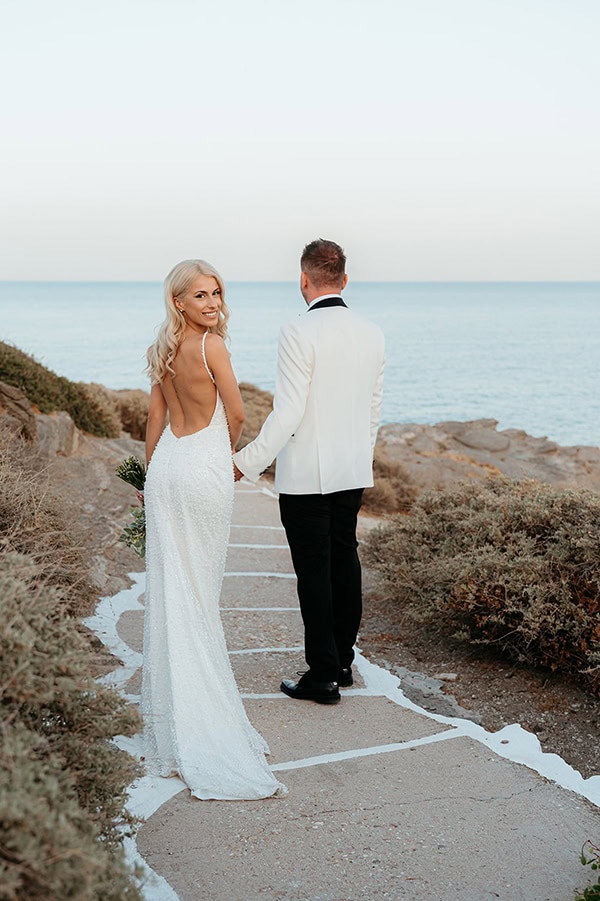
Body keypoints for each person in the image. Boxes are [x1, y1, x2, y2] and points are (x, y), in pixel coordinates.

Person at [141, 259, 285, 800]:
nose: (211, 303)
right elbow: (239, 413)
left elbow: (154, 419)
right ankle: (205, 726)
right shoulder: (213, 347)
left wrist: (150, 473)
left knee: (172, 592)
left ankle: (174, 722)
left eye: (217, 293)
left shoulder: (161, 350)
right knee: (198, 596)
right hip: (201, 468)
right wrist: (223, 456)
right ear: (178, 301)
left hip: (167, 471)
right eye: (200, 295)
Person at [233, 239, 385, 705]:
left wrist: (246, 462)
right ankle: (342, 662)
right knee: (344, 560)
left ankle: (321, 675)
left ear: (304, 279)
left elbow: (289, 410)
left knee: (313, 571)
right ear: (344, 278)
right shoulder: (372, 332)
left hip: (307, 477)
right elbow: (373, 410)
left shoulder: (297, 331)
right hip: (352, 469)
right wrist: (361, 456)